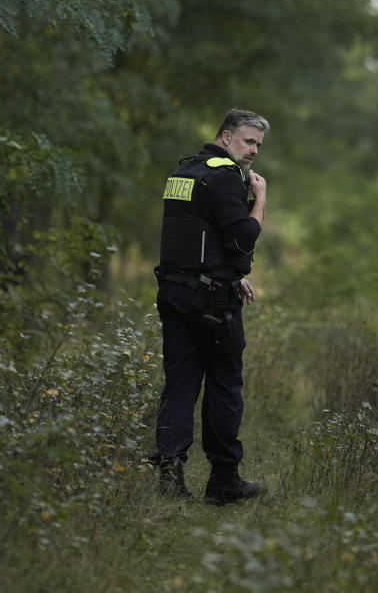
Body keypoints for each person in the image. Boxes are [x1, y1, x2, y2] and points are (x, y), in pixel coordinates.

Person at [150, 108, 269, 505]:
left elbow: (198, 237)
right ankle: (223, 482)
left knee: (180, 384)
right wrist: (260, 199)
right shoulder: (225, 177)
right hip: (211, 302)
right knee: (223, 387)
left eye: (257, 144)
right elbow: (242, 240)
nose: (253, 150)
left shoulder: (184, 174)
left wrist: (229, 274)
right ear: (225, 137)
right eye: (248, 141)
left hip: (173, 290)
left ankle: (169, 478)